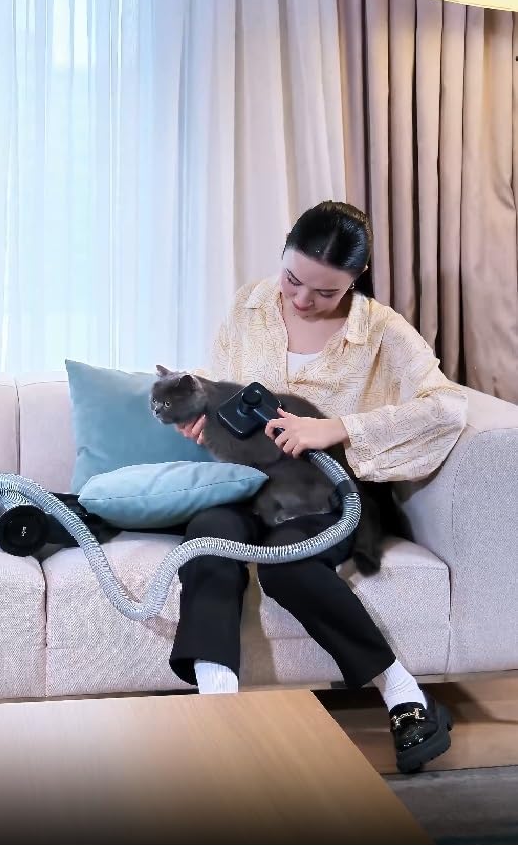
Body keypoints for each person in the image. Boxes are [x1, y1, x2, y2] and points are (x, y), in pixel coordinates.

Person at [172, 200, 468, 774]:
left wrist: (335, 427)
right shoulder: (249, 305)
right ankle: (217, 714)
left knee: (288, 565)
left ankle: (405, 695)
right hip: (248, 482)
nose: (302, 300)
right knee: (209, 539)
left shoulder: (381, 331)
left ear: (355, 280)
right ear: (282, 254)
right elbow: (221, 385)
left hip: (334, 493)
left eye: (325, 293)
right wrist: (202, 413)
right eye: (293, 279)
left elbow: (447, 405)